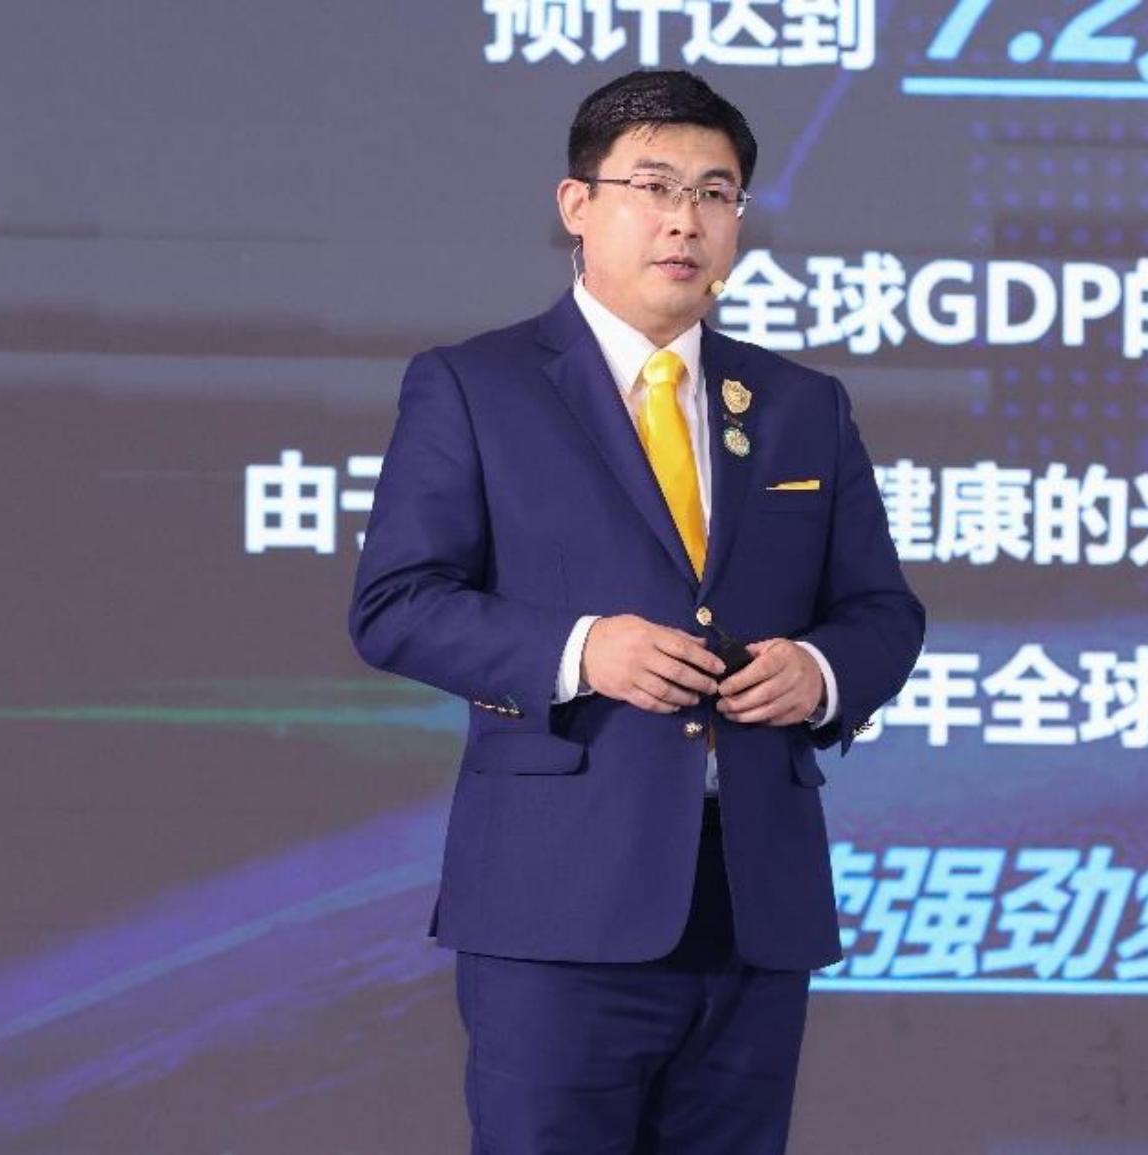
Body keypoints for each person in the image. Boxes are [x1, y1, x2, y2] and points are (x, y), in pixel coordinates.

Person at [349, 69, 924, 1154]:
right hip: (557, 904)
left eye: (715, 193)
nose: (684, 220)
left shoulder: (801, 405)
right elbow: (396, 604)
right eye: (653, 186)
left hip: (753, 902)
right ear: (577, 205)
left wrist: (819, 672)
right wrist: (581, 650)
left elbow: (880, 611)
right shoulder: (477, 386)